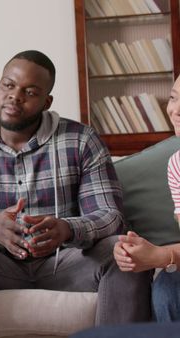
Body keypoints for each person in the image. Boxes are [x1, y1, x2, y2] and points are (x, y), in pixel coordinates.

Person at [0, 50, 152, 338]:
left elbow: (111, 217)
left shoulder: (81, 140)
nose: (15, 96)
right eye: (8, 85)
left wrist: (67, 229)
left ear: (46, 101)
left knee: (127, 252)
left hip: (67, 261)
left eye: (29, 92)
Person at [70, 75, 180, 338]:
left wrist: (163, 256)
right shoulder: (177, 164)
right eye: (174, 98)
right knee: (168, 288)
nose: (175, 111)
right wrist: (150, 254)